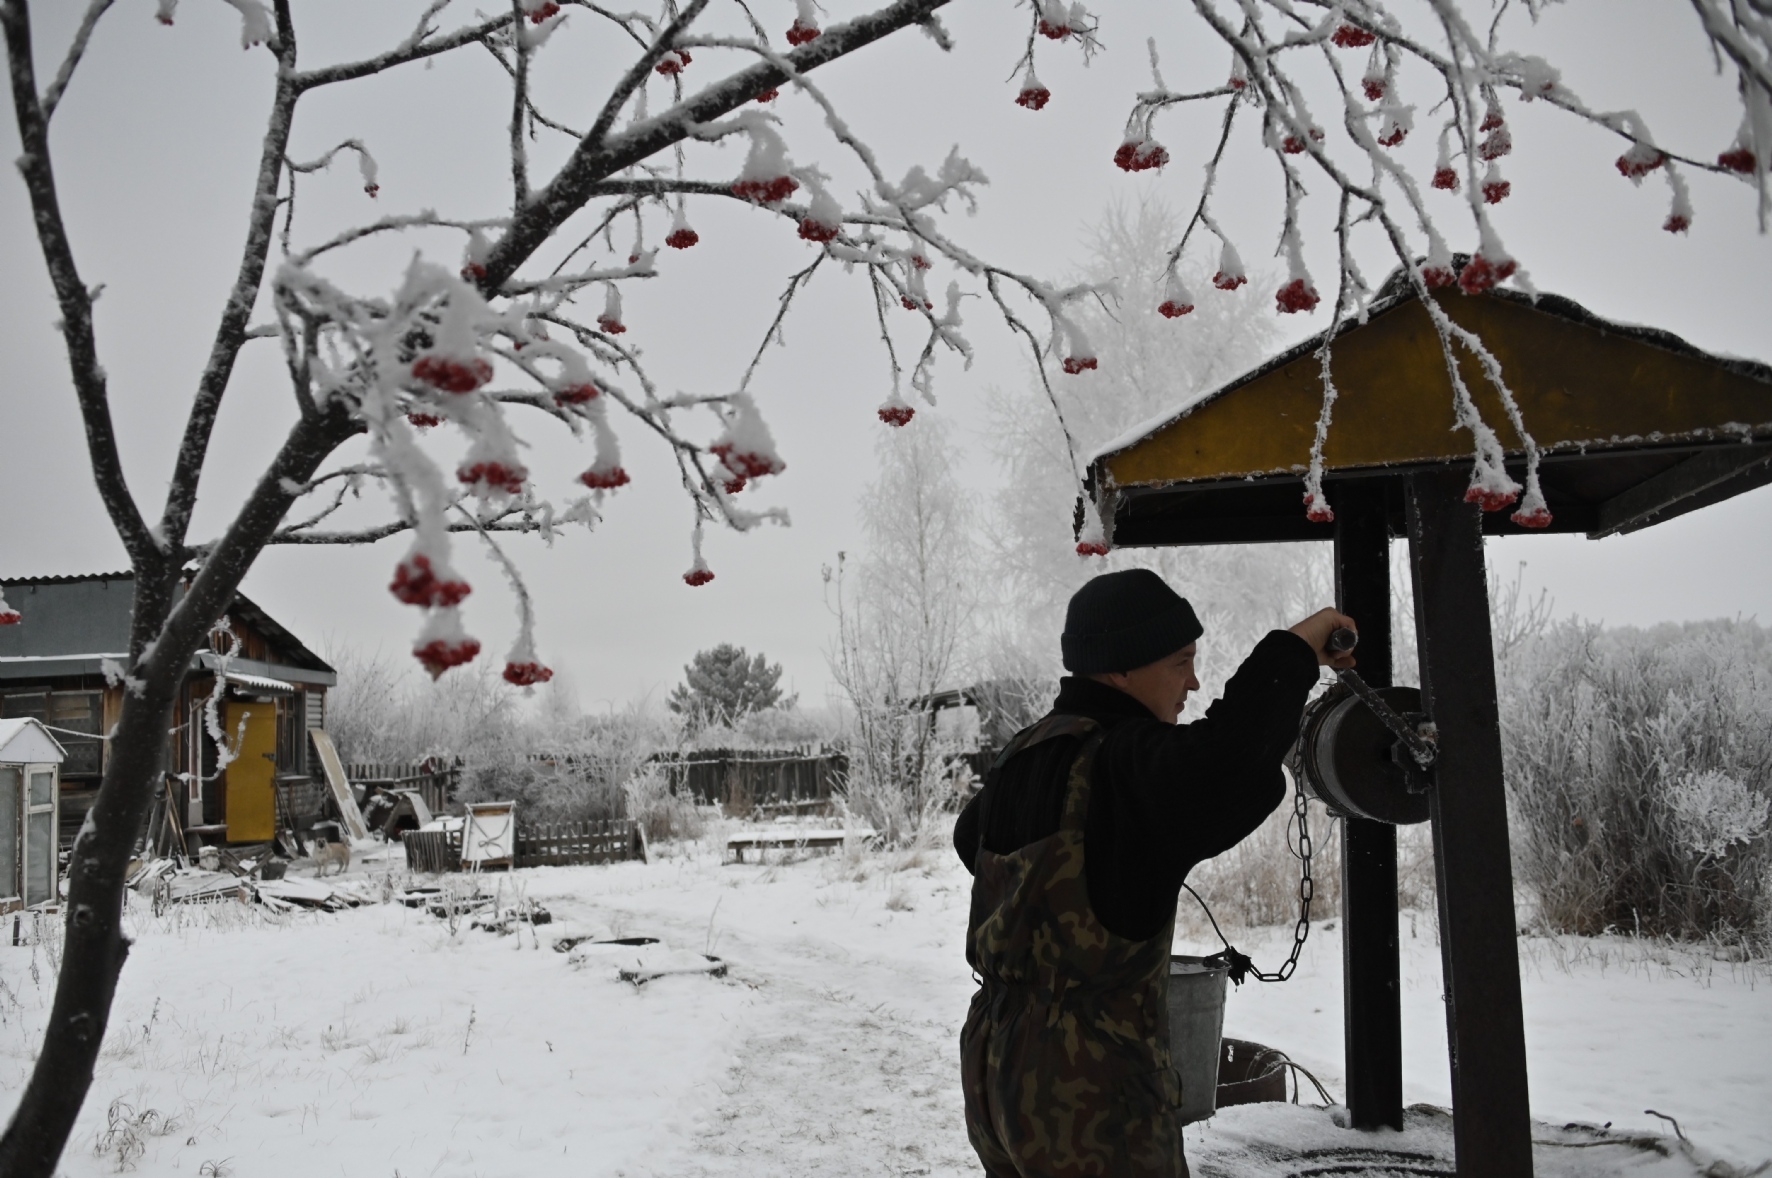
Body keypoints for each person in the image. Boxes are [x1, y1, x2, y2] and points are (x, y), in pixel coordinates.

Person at [953, 568, 1355, 1178]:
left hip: (997, 1069)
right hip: (1086, 1087)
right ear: (1120, 667)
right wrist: (1297, 648)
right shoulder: (1125, 765)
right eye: (1181, 661)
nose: (1194, 682)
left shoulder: (1024, 753)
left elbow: (969, 841)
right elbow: (1230, 760)